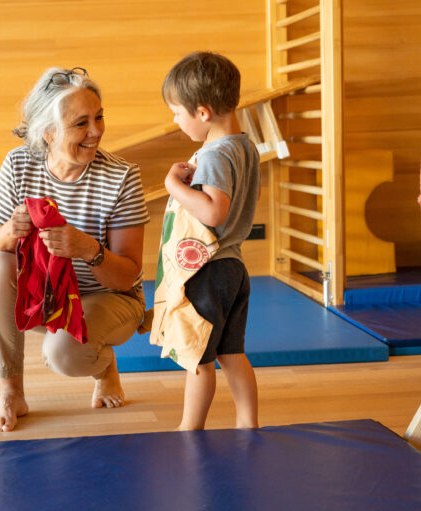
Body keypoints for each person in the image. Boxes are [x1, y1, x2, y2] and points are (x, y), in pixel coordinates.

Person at [0, 67, 150, 432]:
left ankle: (104, 365)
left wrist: (88, 248)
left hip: (108, 297)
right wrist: (10, 230)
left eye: (99, 117)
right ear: (48, 132)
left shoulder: (122, 176)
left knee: (64, 355)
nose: (97, 131)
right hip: (49, 296)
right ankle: (11, 393)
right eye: (81, 123)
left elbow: (128, 275)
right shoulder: (18, 163)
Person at [161, 51, 260, 431]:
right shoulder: (244, 145)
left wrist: (172, 185)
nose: (175, 120)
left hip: (210, 267)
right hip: (233, 266)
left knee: (198, 356)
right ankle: (248, 424)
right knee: (232, 353)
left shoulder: (216, 153)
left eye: (176, 112)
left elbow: (214, 213)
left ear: (202, 112)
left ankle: (190, 428)